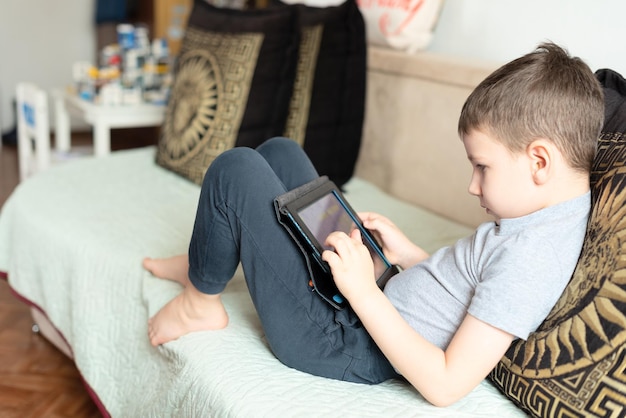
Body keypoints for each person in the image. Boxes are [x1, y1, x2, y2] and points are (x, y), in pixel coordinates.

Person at [143, 42, 604, 407]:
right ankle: (213, 252)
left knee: (236, 169)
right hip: (371, 297)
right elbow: (470, 288)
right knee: (281, 152)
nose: (472, 185)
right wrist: (409, 256)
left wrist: (363, 292)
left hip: (342, 340)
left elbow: (445, 385)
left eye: (482, 166)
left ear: (539, 160)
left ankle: (200, 301)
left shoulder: (533, 257)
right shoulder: (546, 215)